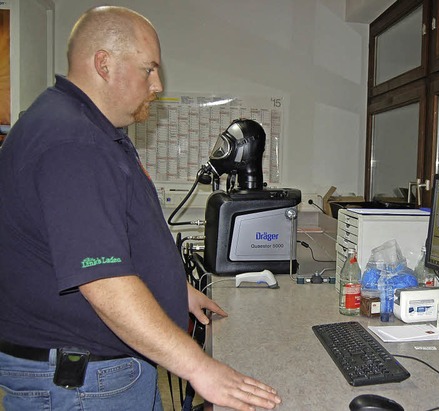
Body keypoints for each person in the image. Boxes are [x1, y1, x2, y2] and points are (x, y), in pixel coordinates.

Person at [0, 6, 281, 411]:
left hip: (94, 369)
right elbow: (106, 285)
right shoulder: (74, 143)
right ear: (104, 63)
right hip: (82, 382)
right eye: (149, 69)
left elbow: (102, 242)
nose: (158, 84)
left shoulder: (84, 127)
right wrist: (201, 368)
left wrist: (173, 289)